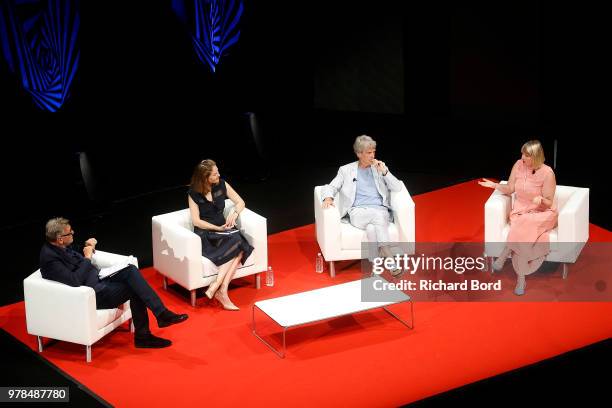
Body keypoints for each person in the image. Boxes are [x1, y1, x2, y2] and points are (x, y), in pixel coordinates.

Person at [40, 217, 188, 349]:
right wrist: (87, 258)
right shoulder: (50, 259)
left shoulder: (59, 246)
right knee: (135, 288)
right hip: (93, 294)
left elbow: (73, 256)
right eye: (70, 233)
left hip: (99, 278)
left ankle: (160, 315)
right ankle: (147, 332)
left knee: (130, 270)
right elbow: (75, 280)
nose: (73, 233)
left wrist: (87, 245)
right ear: (59, 238)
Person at [479, 140, 558, 295]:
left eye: (526, 155)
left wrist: (541, 200)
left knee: (524, 224)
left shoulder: (548, 173)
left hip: (543, 213)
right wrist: (494, 186)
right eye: (522, 153)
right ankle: (520, 278)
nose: (522, 157)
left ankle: (504, 258)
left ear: (535, 157)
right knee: (522, 230)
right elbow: (510, 188)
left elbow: (548, 202)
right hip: (522, 211)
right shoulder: (518, 164)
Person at [321, 135, 404, 275]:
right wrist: (328, 197)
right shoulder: (346, 170)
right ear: (359, 154)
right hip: (358, 212)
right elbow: (331, 186)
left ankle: (375, 266)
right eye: (368, 152)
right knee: (377, 217)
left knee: (372, 228)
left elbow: (397, 187)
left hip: (380, 209)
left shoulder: (379, 168)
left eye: (373, 152)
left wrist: (385, 172)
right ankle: (389, 258)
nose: (372, 155)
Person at [188, 159, 254, 311]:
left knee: (239, 242)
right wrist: (216, 227)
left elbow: (240, 202)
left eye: (218, 171)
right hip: (206, 234)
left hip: (223, 231)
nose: (219, 174)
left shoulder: (222, 185)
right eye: (215, 173)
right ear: (205, 177)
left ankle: (220, 287)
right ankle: (221, 290)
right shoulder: (193, 193)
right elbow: (196, 221)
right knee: (240, 244)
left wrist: (234, 212)